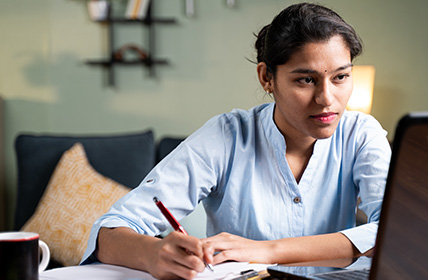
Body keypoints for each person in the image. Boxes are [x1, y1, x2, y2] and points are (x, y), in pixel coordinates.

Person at [82, 3, 391, 280]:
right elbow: (110, 231)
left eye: (340, 77)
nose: (326, 98)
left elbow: (393, 234)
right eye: (306, 80)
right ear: (266, 78)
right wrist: (153, 254)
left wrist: (267, 251)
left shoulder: (361, 134)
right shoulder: (227, 136)